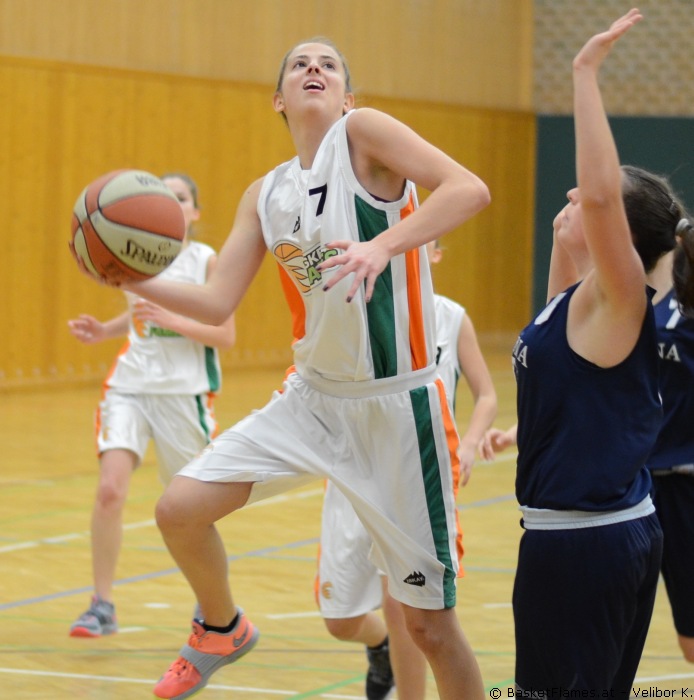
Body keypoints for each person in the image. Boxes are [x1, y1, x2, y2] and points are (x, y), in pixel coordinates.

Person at [83, 37, 491, 700]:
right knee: (178, 509)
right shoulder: (266, 194)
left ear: (348, 97)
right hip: (313, 402)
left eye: (328, 64)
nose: (313, 68)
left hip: (398, 407)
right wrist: (131, 279)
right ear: (279, 99)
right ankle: (222, 627)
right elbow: (218, 301)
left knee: (430, 629)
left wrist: (382, 245)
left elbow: (470, 190)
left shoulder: (364, 134)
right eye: (299, 63)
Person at [492, 8, 694, 694]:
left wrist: (583, 72)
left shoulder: (621, 299)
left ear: (620, 241)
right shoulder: (578, 304)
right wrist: (565, 237)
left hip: (583, 544)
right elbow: (557, 369)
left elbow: (603, 196)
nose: (575, 193)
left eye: (588, 199)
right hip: (597, 536)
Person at [315, 239, 497, 700]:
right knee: (339, 621)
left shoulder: (451, 317)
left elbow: (487, 395)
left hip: (413, 475)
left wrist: (469, 444)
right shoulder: (354, 307)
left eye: (421, 243)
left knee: (403, 608)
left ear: (435, 254)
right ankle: (378, 647)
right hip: (353, 473)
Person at [68, 173, 236, 638]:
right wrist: (104, 330)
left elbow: (224, 335)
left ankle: (212, 605)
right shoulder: (130, 253)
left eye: (181, 198)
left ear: (194, 213)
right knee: (110, 490)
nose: (173, 203)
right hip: (130, 385)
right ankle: (101, 605)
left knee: (192, 509)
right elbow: (138, 314)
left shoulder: (205, 260)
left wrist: (173, 320)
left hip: (184, 393)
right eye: (165, 196)